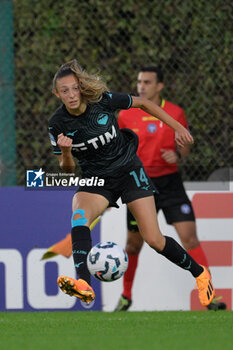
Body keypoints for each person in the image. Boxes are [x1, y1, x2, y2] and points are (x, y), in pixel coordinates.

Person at [48, 59, 215, 307]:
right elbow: (67, 170)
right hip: (97, 179)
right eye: (65, 91)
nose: (71, 95)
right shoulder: (57, 123)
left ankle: (200, 274)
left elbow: (144, 103)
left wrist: (177, 127)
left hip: (129, 171)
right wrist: (68, 153)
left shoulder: (102, 102)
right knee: (79, 215)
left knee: (154, 239)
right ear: (57, 93)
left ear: (81, 88)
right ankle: (83, 282)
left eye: (75, 88)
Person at [115, 66, 226, 311]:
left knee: (190, 238)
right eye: (139, 81)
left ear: (160, 86)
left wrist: (177, 154)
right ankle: (125, 296)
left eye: (147, 82)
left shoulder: (175, 112)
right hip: (140, 185)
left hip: (170, 183)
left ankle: (209, 296)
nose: (141, 86)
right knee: (133, 245)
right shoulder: (125, 115)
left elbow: (185, 147)